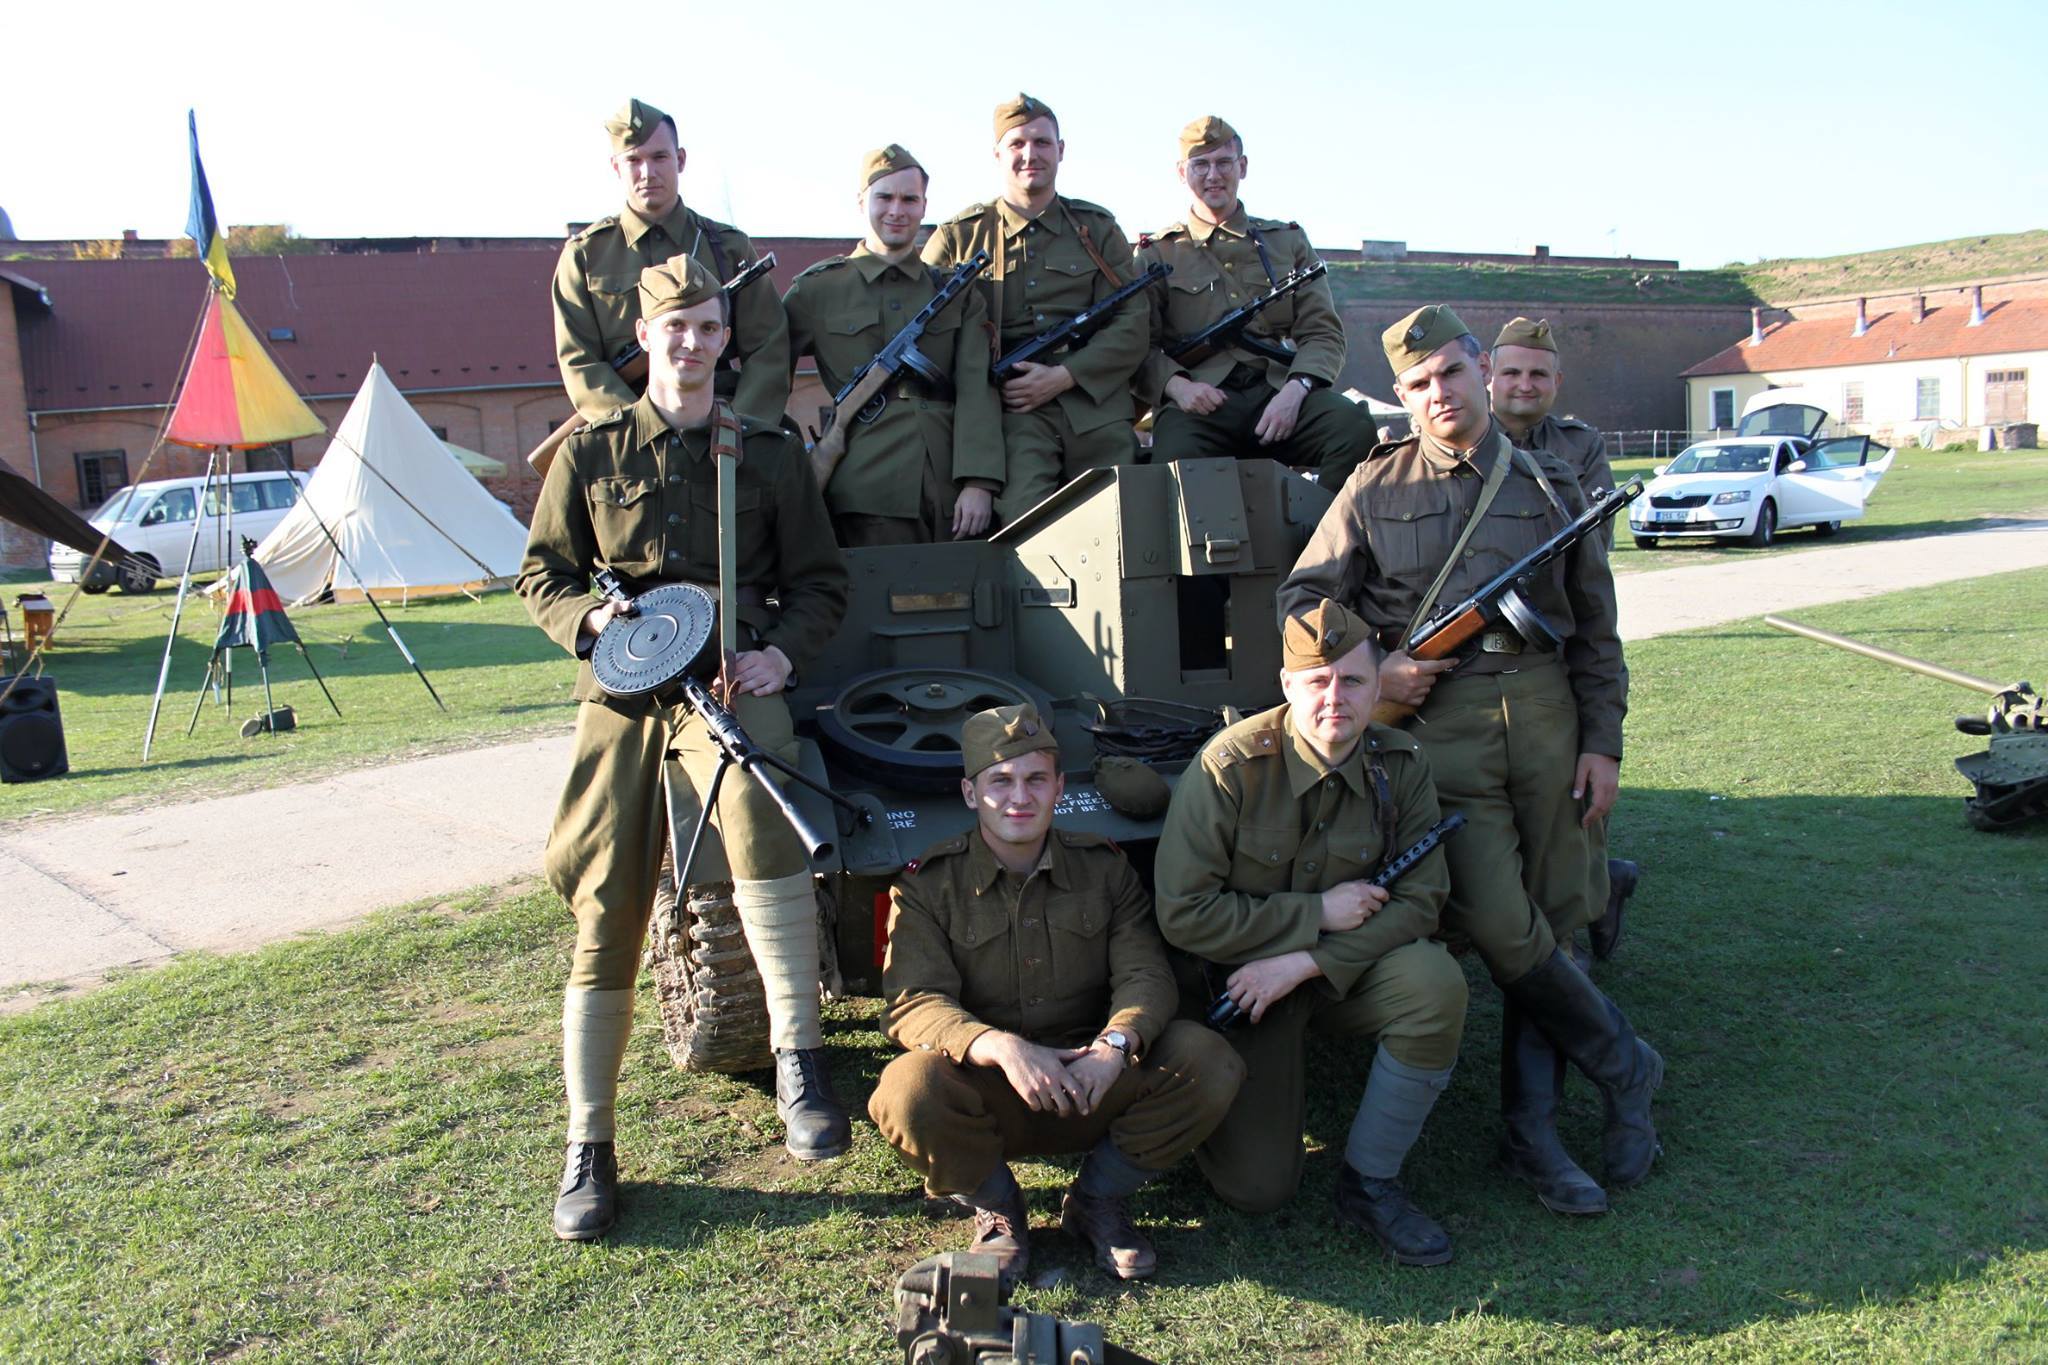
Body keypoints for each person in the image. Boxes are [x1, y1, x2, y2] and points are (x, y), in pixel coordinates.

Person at [1278, 305, 1663, 1218]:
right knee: (1498, 919)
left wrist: (1603, 741)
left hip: (1547, 712)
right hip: (1438, 725)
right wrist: (1376, 665)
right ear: (1402, 395)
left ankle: (1533, 1132)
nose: (1439, 393)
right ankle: (1626, 1064)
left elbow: (1597, 627)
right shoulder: (1373, 485)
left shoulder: (1550, 480)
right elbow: (1303, 600)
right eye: (1419, 384)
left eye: (1451, 372)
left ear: (1480, 368)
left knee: (1557, 919)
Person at [518, 255, 849, 1241]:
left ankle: (800, 1062)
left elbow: (820, 582)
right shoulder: (592, 449)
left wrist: (781, 655)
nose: (694, 343)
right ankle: (589, 1144)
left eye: (708, 328)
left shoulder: (767, 453)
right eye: (677, 328)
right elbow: (542, 573)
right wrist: (593, 626)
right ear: (645, 336)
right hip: (624, 694)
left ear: (724, 339)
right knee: (605, 890)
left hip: (726, 682)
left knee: (762, 810)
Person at [868, 704, 1244, 1286]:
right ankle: (998, 1209)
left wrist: (1114, 1046)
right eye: (1000, 781)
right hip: (990, 1089)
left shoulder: (1105, 870)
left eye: (1036, 779)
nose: (1019, 797)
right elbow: (915, 1001)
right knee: (907, 1089)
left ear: (1060, 787)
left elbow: (1145, 976)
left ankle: (1097, 1199)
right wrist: (1001, 1048)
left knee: (1207, 1059)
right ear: (970, 793)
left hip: (1093, 1078)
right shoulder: (927, 885)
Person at [1152, 600, 1468, 1264]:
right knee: (1258, 1188)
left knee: (1434, 983)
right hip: (1241, 991)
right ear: (1287, 685)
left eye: (1353, 680)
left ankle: (1371, 1182)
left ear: (1378, 686)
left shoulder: (1400, 764)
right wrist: (1316, 913)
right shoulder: (1228, 767)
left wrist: (1305, 961)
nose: (1335, 698)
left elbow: (1423, 901)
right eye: (1317, 681)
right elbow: (1183, 914)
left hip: (1328, 977)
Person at [921, 94, 1149, 526]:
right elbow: (923, 330)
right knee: (1028, 525)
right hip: (1009, 414)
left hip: (1094, 407)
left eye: (1042, 143)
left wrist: (1066, 375)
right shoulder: (959, 237)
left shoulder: (1096, 229)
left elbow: (1134, 322)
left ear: (1060, 150)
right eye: (1017, 144)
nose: (1031, 155)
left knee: (1124, 523)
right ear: (997, 154)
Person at [1488, 316, 1639, 959]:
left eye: (1537, 374)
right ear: (1488, 376)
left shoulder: (1581, 445)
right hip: (1475, 639)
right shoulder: (1460, 437)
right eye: (1512, 372)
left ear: (1557, 381)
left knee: (1570, 791)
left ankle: (1587, 908)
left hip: (1557, 629)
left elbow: (1591, 543)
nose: (1524, 385)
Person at [782, 144, 1004, 545]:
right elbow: (768, 371)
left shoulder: (954, 291)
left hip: (951, 488)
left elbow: (976, 386)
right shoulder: (817, 290)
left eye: (909, 200)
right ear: (861, 202)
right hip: (864, 491)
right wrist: (792, 461)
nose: (896, 211)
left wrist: (979, 481)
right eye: (884, 198)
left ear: (924, 207)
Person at [1136, 117, 1369, 475]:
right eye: (1201, 165)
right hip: (1198, 402)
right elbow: (1138, 345)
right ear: (1182, 172)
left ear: (1242, 167)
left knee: (1353, 430)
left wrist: (1297, 388)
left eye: (1223, 163)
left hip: (1277, 392)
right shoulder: (1158, 254)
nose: (1213, 175)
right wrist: (1177, 387)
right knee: (1174, 464)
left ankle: (1323, 515)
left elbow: (1323, 332)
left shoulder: (1286, 241)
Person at [552, 97, 791, 430]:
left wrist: (739, 429)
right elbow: (580, 363)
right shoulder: (585, 257)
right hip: (627, 430)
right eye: (633, 160)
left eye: (659, 157)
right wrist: (641, 430)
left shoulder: (727, 247)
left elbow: (769, 349)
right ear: (616, 167)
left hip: (719, 422)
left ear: (680, 160)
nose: (648, 173)